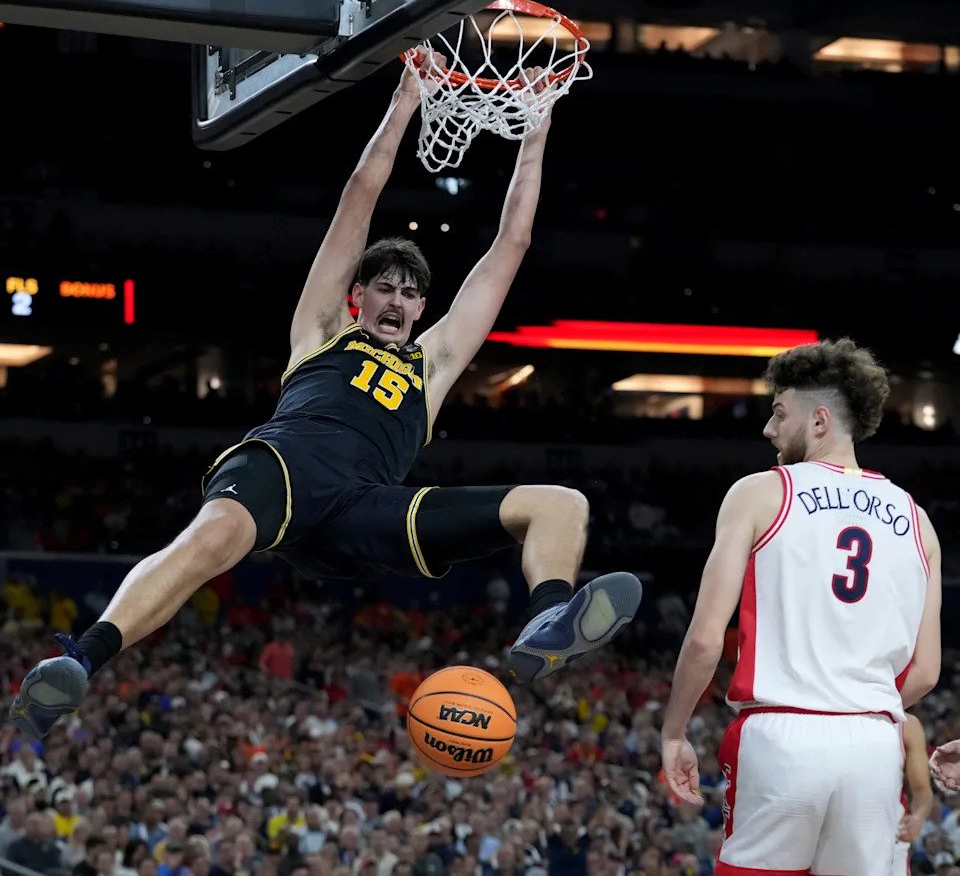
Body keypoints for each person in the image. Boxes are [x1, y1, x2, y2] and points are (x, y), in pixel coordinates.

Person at [9, 49, 641, 740]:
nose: (398, 299)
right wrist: (404, 101)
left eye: (410, 292)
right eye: (384, 288)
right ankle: (82, 658)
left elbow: (512, 243)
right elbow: (359, 197)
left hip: (363, 505)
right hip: (288, 464)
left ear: (421, 307)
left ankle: (550, 618)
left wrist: (538, 125)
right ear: (357, 297)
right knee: (215, 536)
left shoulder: (433, 364)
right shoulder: (321, 331)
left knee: (561, 505)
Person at [659, 338, 941, 876]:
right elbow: (925, 672)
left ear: (818, 421)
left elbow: (702, 640)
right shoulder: (918, 520)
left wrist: (674, 731)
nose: (768, 429)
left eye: (778, 413)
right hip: (874, 743)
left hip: (780, 738)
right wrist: (852, 703)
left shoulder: (760, 493)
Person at [890, 713, 933, 876]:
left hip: (891, 833)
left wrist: (918, 816)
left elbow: (922, 789)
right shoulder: (819, 719)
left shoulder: (906, 725)